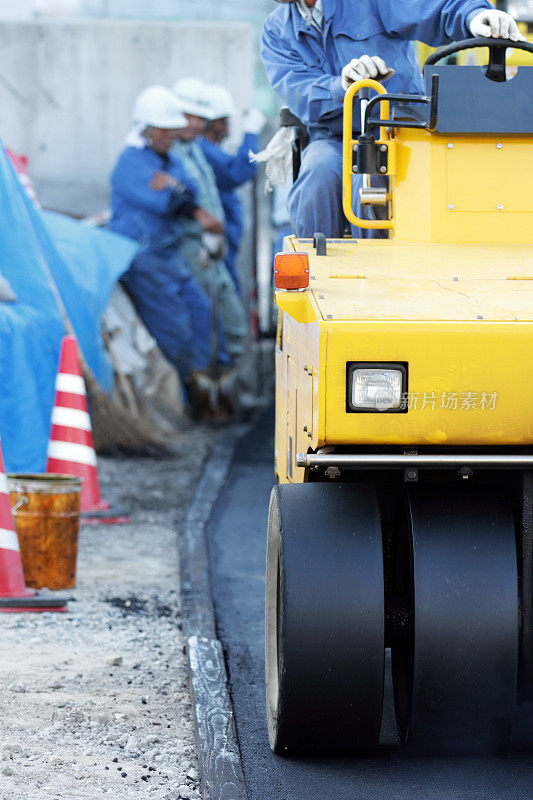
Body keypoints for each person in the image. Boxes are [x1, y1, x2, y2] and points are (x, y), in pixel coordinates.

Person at [262, 0, 525, 238]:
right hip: (332, 138)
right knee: (316, 179)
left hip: (397, 131)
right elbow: (299, 92)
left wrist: (472, 15)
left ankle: (377, 278)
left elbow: (429, 8)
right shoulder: (276, 32)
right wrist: (341, 85)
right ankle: (319, 276)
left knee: (370, 183)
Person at [109, 85, 229, 394]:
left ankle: (202, 384)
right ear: (146, 129)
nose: (170, 136)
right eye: (164, 130)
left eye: (172, 130)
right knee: (173, 327)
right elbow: (168, 202)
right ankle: (185, 394)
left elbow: (189, 191)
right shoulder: (131, 162)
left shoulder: (168, 162)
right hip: (143, 259)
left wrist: (174, 185)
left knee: (202, 311)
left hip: (169, 255)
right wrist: (180, 193)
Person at [172, 78, 247, 362]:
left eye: (199, 118)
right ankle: (211, 393)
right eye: (188, 116)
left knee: (232, 320)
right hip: (191, 246)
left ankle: (230, 391)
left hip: (212, 246)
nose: (194, 124)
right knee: (208, 319)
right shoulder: (172, 152)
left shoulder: (194, 149)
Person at [199, 84, 266, 295]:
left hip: (226, 238)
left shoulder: (209, 149)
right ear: (214, 123)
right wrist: (250, 133)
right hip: (219, 239)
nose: (229, 125)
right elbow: (238, 171)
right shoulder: (204, 149)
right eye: (225, 120)